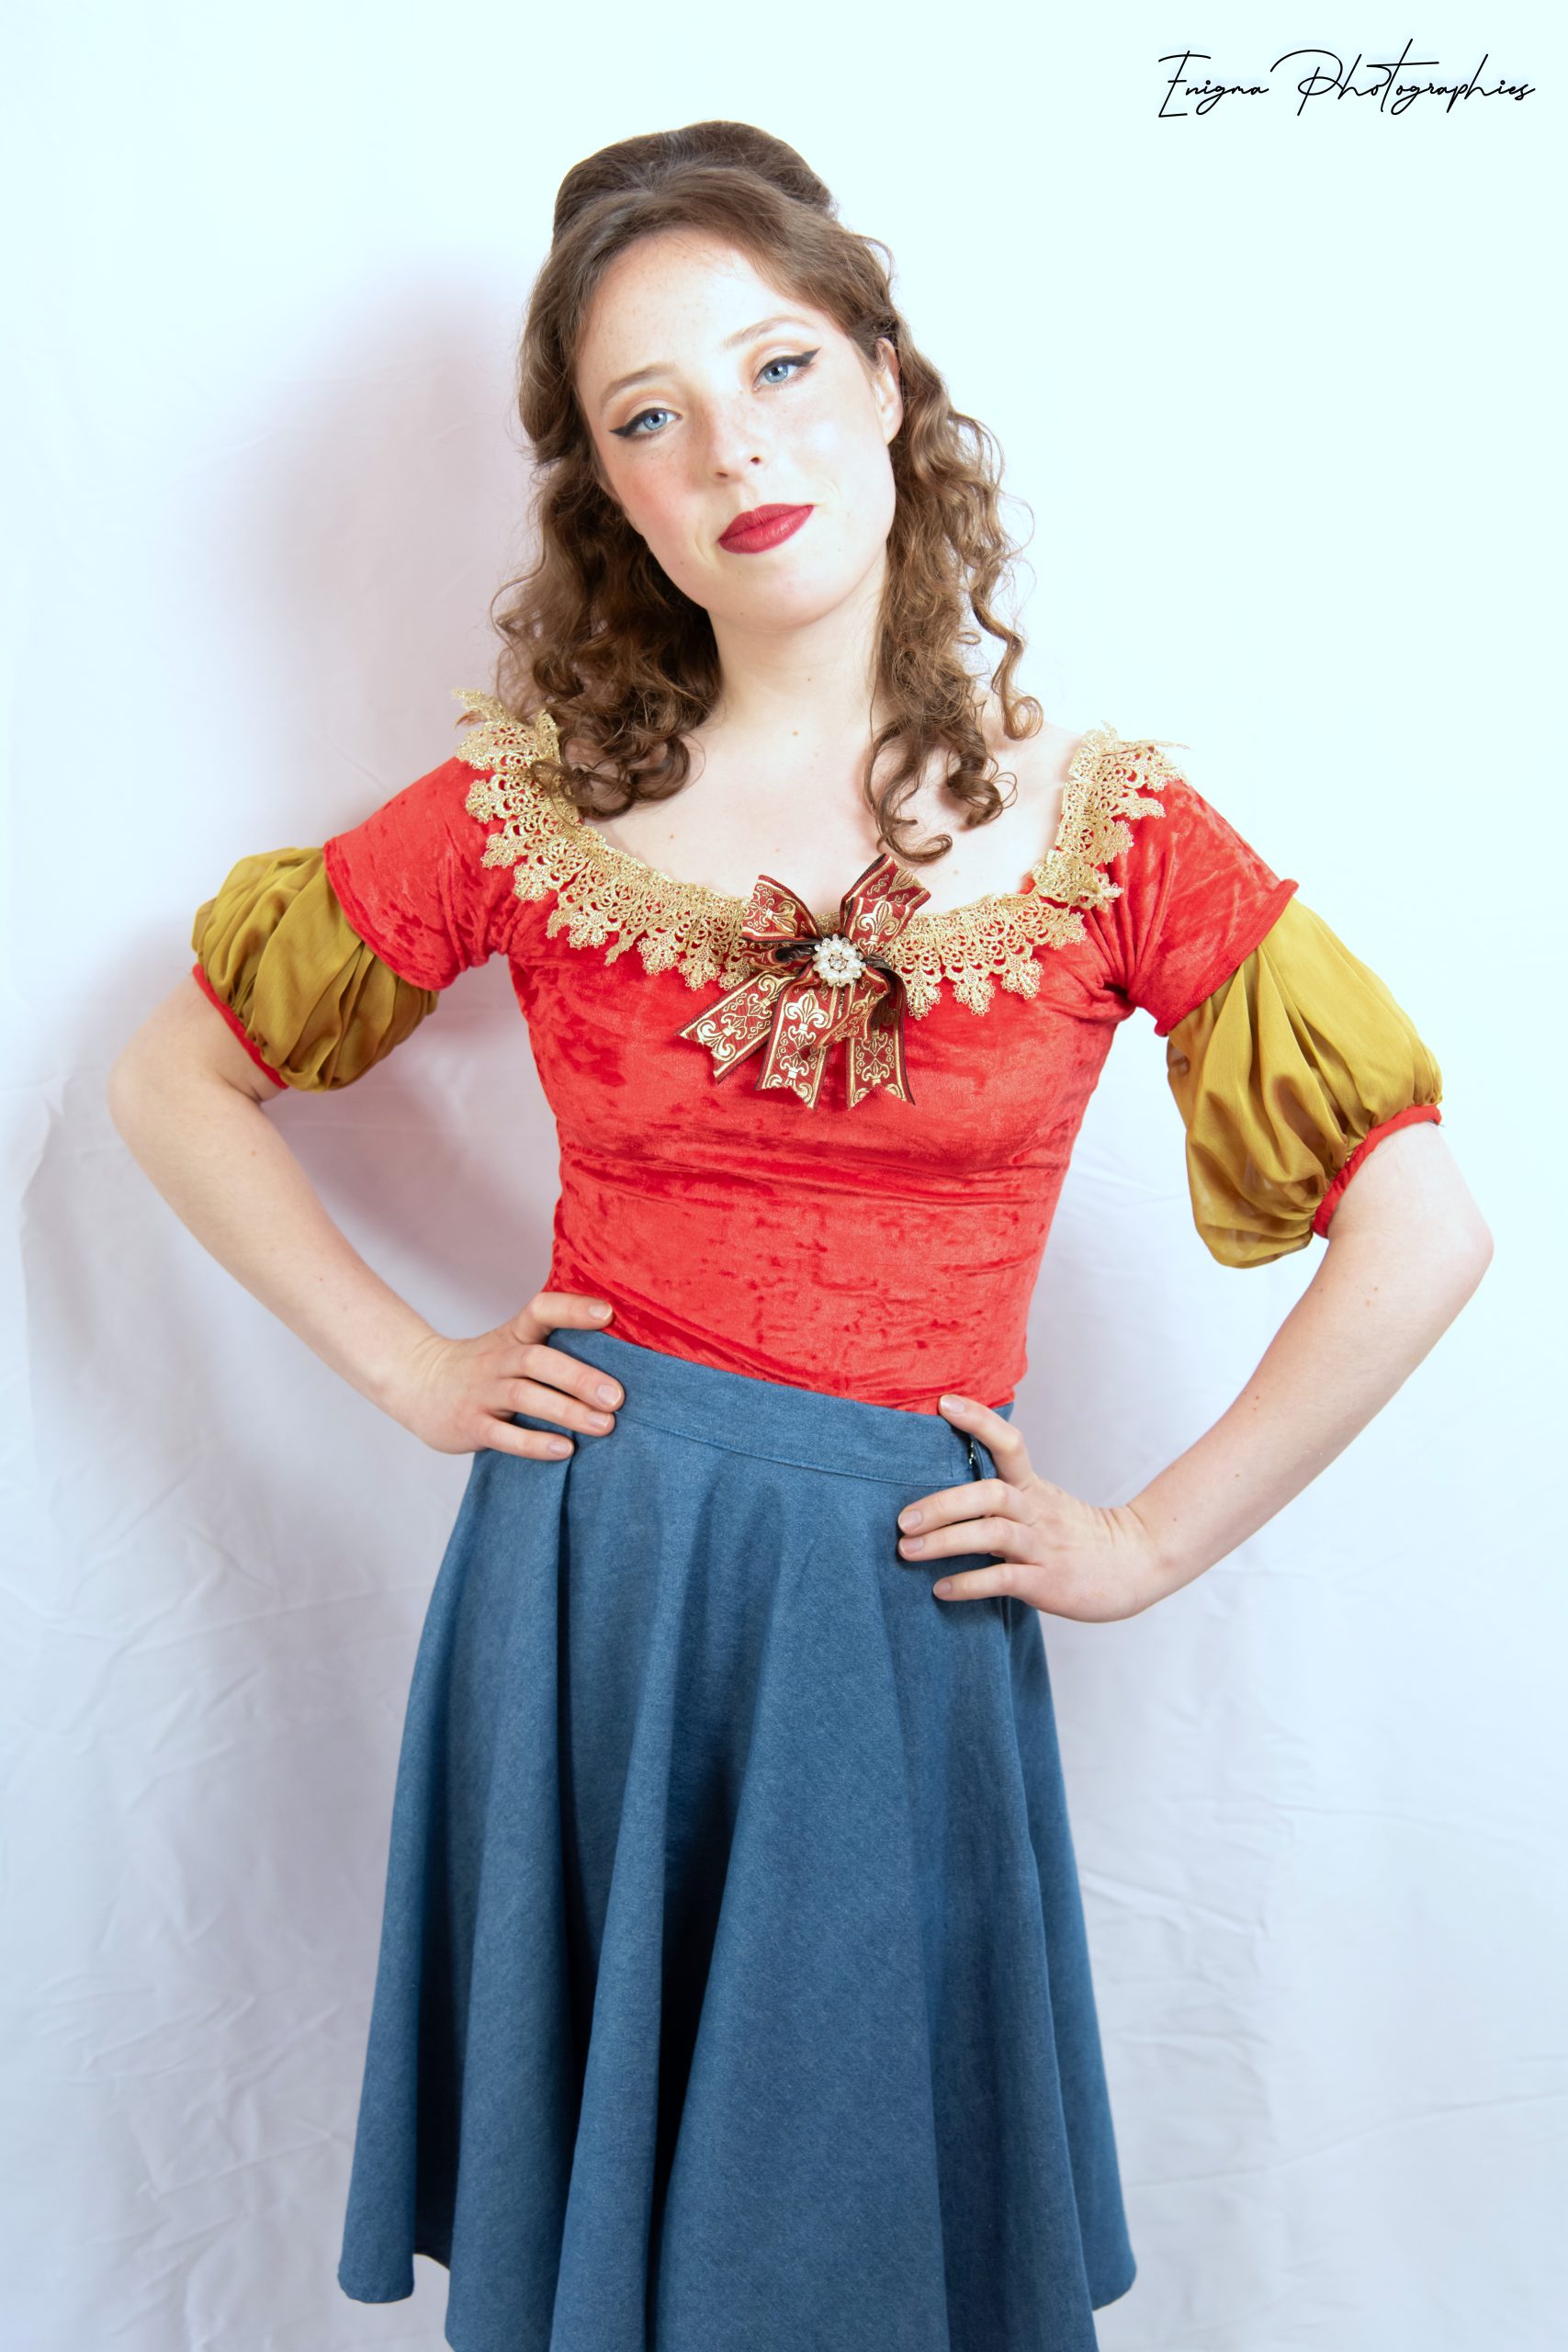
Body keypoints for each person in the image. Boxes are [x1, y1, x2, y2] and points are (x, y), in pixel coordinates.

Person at [107, 119, 1492, 2352]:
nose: (729, 447)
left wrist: (1143, 1537)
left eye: (771, 369)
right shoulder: (532, 811)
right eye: (648, 416)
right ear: (610, 495)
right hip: (594, 1586)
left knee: (846, 2240)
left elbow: (1416, 1225)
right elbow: (175, 1075)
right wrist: (412, 1364)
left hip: (889, 1611)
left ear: (880, 378)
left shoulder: (1112, 829)